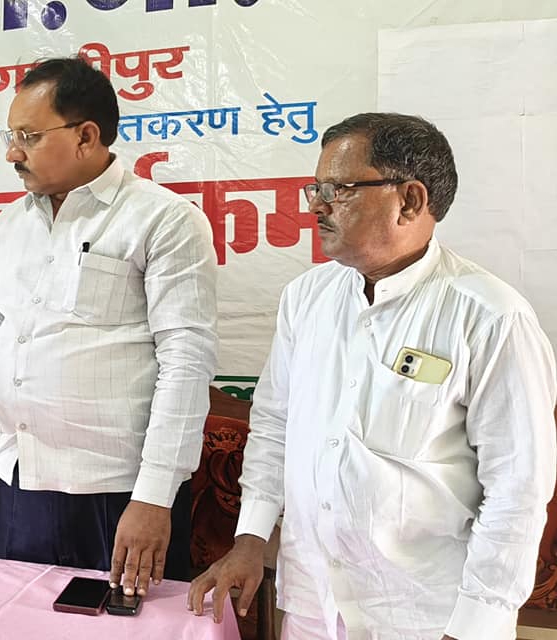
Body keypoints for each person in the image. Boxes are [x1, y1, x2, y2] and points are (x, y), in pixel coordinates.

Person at [188, 113, 557, 639]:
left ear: (410, 200)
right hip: (312, 604)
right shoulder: (307, 298)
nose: (316, 205)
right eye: (316, 188)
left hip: (423, 615)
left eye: (338, 189)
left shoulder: (490, 316)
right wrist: (249, 538)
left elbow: (517, 490)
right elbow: (274, 426)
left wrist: (474, 626)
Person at [0, 56, 218, 595]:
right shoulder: (9, 224)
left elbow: (187, 362)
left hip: (118, 490)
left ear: (86, 136)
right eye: (11, 136)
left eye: (28, 136)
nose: (12, 153)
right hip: (18, 478)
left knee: (126, 628)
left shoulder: (163, 218)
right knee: (16, 624)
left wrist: (154, 497)